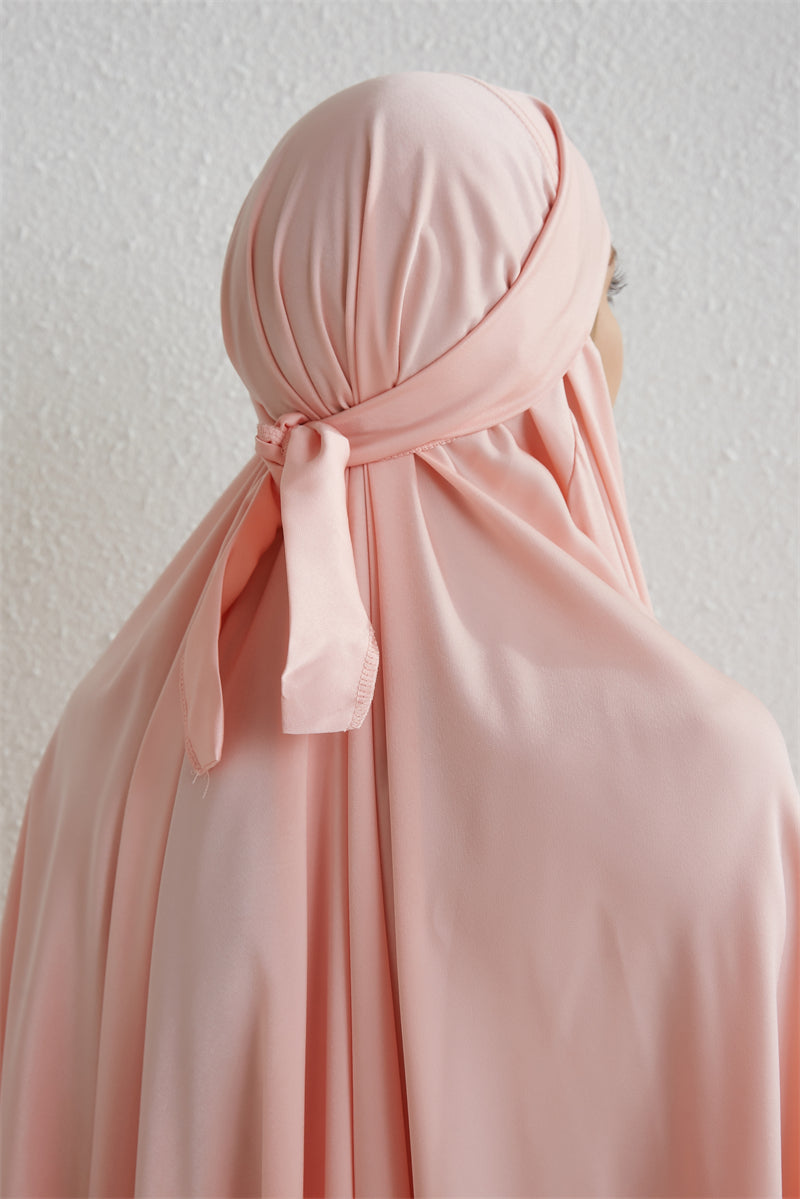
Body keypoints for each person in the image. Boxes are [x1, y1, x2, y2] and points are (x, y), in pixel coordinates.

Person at [1, 71, 798, 1198]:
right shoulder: (708, 780)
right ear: (515, 353)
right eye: (599, 292)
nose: (611, 341)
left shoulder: (100, 755)